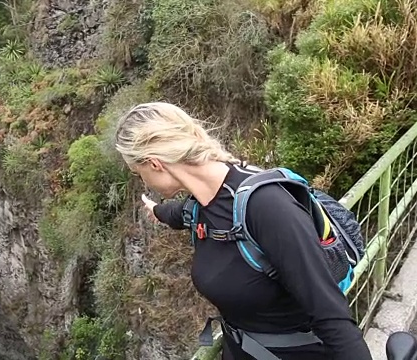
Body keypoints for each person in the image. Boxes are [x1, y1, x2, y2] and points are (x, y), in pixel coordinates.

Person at [113, 102, 372, 360]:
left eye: (139, 173)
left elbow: (333, 318)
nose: (143, 181)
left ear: (155, 163)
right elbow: (178, 213)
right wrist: (158, 211)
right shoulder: (200, 204)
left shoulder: (266, 207)